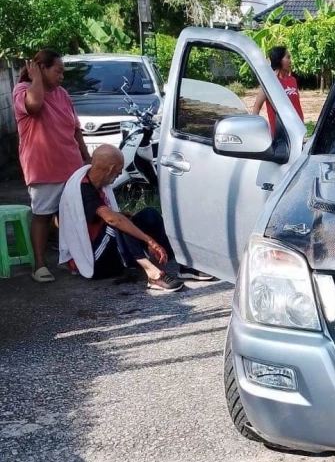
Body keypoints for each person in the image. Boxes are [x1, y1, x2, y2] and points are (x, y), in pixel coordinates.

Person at [58, 145, 212, 291]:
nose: (120, 173)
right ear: (111, 168)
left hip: (109, 250)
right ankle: (152, 275)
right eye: (119, 169)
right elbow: (112, 220)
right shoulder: (83, 189)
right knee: (117, 224)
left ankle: (182, 263)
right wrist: (148, 240)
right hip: (94, 261)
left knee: (149, 214)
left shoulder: (98, 183)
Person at [13, 49, 91, 283]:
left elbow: (75, 128)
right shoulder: (22, 91)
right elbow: (34, 105)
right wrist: (35, 78)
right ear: (41, 68)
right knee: (43, 215)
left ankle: (72, 259)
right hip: (43, 167)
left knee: (70, 215)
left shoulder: (63, 94)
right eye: (57, 71)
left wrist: (86, 157)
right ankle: (40, 265)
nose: (61, 76)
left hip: (71, 164)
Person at [251, 46, 304, 135]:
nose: (290, 61)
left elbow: (296, 105)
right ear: (279, 60)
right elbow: (257, 107)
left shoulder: (292, 80)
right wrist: (255, 130)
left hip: (297, 131)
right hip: (280, 135)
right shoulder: (269, 82)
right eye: (287, 57)